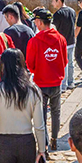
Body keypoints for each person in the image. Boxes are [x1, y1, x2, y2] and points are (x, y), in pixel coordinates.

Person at [26, 8, 68, 151]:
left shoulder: (34, 41)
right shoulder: (61, 39)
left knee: (41, 114)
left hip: (41, 82)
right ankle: (55, 138)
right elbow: (65, 60)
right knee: (56, 112)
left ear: (39, 22)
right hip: (56, 82)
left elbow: (30, 64)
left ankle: (43, 143)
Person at [51, 0, 76, 91]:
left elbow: (54, 29)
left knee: (63, 64)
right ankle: (71, 82)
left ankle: (63, 85)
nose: (52, 4)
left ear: (59, 1)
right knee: (70, 63)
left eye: (53, 1)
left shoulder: (58, 14)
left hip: (62, 42)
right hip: (71, 40)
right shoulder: (72, 11)